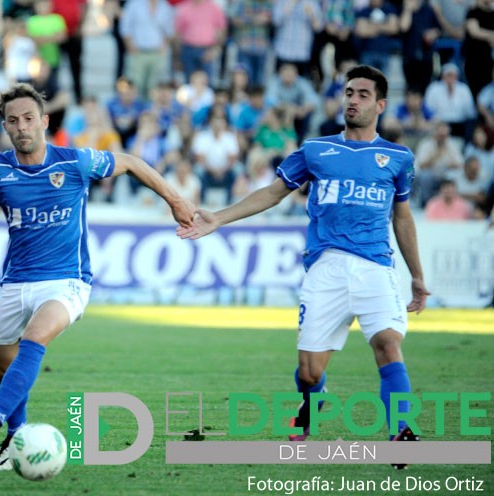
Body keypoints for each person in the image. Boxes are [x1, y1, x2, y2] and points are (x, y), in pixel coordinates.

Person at [0, 82, 195, 473]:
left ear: (44, 122)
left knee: (35, 339)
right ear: (6, 127)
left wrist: (176, 200)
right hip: (16, 282)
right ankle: (16, 436)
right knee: (4, 363)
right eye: (13, 121)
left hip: (67, 281)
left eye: (29, 118)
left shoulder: (74, 162)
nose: (22, 126)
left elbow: (131, 161)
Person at [177, 65, 430, 468]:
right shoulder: (315, 149)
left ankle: (401, 431)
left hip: (376, 267)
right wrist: (219, 218)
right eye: (348, 92)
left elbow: (402, 217)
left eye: (363, 94)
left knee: (388, 344)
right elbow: (274, 193)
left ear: (380, 104)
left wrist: (416, 275)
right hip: (325, 269)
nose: (352, 99)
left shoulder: (398, 158)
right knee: (310, 373)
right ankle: (312, 404)